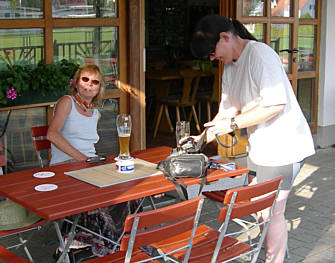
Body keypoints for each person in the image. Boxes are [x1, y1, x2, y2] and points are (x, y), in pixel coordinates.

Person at [189, 15, 315, 263]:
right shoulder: (230, 67)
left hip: (283, 146)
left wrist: (232, 124)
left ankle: (274, 259)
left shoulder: (260, 55)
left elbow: (275, 104)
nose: (212, 59)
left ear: (225, 37)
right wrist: (202, 136)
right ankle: (274, 250)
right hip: (261, 148)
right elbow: (227, 111)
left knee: (271, 211)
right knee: (261, 209)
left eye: (211, 52)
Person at [47, 64, 142, 258]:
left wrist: (91, 163)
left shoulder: (95, 114)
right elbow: (52, 135)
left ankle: (117, 242)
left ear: (99, 89)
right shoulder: (67, 102)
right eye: (85, 79)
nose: (89, 85)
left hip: (88, 167)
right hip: (65, 170)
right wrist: (83, 159)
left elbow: (88, 146)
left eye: (95, 82)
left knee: (130, 191)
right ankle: (87, 242)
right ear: (76, 82)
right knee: (103, 197)